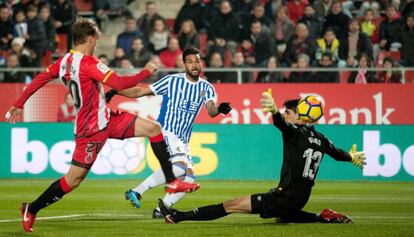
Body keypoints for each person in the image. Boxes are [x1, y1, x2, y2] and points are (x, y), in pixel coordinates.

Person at [5, 17, 200, 233]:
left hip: (108, 119)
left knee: (154, 129)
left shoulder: (63, 62)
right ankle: (31, 209)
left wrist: (19, 103)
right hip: (90, 131)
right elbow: (120, 83)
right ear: (88, 38)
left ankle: (172, 181)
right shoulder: (88, 63)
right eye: (96, 40)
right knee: (73, 180)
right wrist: (146, 71)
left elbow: (39, 79)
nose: (97, 44)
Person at [158, 89, 366, 224]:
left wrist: (275, 111)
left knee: (231, 204)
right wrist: (352, 157)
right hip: (299, 197)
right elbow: (338, 154)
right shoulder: (321, 139)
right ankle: (325, 217)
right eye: (283, 112)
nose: (285, 115)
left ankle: (177, 216)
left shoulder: (294, 133)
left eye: (288, 112)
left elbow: (281, 124)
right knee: (283, 217)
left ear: (300, 115)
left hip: (285, 198)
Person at [105, 47, 232, 219]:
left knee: (189, 180)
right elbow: (140, 92)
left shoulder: (207, 88)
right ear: (183, 64)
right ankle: (137, 191)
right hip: (166, 130)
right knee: (180, 169)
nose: (194, 64)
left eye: (196, 61)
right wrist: (116, 91)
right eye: (190, 62)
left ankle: (162, 208)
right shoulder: (172, 81)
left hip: (182, 139)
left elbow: (211, 110)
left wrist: (220, 110)